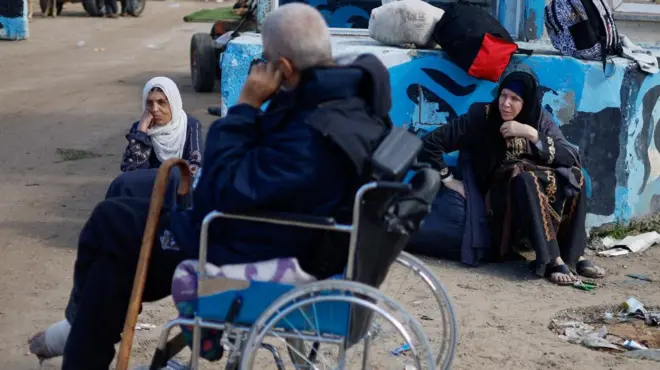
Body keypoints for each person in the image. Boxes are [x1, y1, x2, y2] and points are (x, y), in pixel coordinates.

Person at [28, 3, 393, 368]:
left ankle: (77, 335)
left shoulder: (314, 133)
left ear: (283, 68)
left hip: (248, 241)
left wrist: (246, 107)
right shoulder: (345, 103)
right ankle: (80, 340)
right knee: (123, 212)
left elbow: (220, 191)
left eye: (267, 62)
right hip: (279, 228)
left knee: (112, 223)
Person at [417, 71, 605, 285]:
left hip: (534, 193)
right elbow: (431, 143)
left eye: (515, 99)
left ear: (527, 103)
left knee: (575, 176)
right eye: (503, 96)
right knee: (527, 179)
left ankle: (574, 256)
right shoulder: (483, 117)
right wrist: (449, 179)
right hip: (499, 202)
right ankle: (552, 259)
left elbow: (570, 155)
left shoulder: (538, 119)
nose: (506, 104)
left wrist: (531, 134)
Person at [120, 76, 202, 176]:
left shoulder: (189, 125)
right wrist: (142, 132)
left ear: (173, 103)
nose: (154, 109)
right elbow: (131, 170)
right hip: (148, 187)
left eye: (161, 102)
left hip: (179, 187)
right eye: (149, 103)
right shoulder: (140, 128)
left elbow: (196, 166)